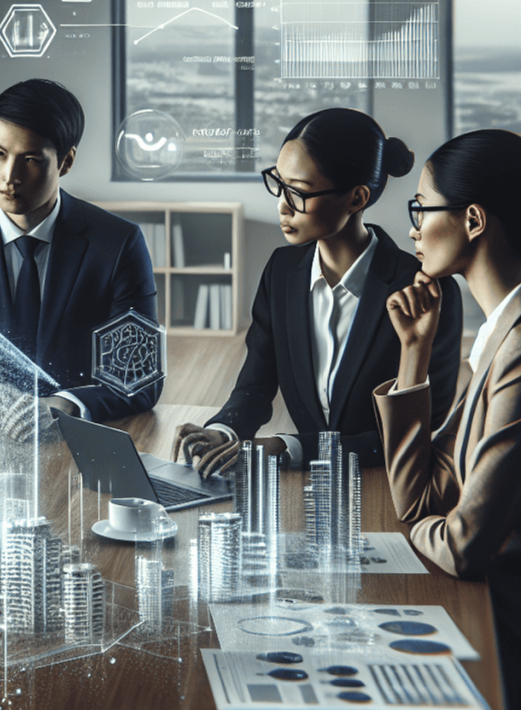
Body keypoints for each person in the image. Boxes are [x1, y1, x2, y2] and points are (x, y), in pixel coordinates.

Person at [173, 107, 462, 474]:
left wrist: (289, 448)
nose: (282, 205)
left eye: (298, 192)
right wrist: (223, 430)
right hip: (310, 492)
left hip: (389, 487)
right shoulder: (281, 271)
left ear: (356, 198)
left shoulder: (426, 292)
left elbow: (423, 431)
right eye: (279, 184)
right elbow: (256, 384)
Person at [375, 128, 521, 710]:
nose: (411, 228)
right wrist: (414, 354)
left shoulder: (516, 350)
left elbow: (459, 544)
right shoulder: (495, 335)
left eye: (421, 208)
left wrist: (417, 534)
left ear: (473, 219)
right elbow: (426, 495)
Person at [0, 78, 161, 423]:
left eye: (30, 160)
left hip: (76, 447)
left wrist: (65, 405)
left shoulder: (117, 244)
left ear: (66, 162)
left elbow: (140, 379)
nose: (9, 176)